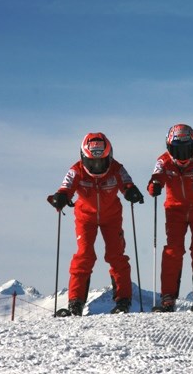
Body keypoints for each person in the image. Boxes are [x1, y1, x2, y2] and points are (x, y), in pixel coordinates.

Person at [48, 132, 144, 316]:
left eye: (102, 162)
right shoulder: (76, 170)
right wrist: (60, 197)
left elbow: (127, 183)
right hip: (85, 218)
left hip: (112, 217)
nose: (98, 167)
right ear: (84, 157)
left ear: (109, 156)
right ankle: (75, 302)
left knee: (116, 255)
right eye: (93, 162)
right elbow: (65, 187)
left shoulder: (117, 168)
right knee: (84, 255)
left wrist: (132, 192)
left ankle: (123, 300)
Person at [147, 124, 193, 312]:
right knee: (173, 251)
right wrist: (154, 186)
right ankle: (167, 297)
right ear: (170, 148)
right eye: (178, 150)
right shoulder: (163, 160)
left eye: (186, 149)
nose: (183, 155)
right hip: (174, 210)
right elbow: (156, 177)